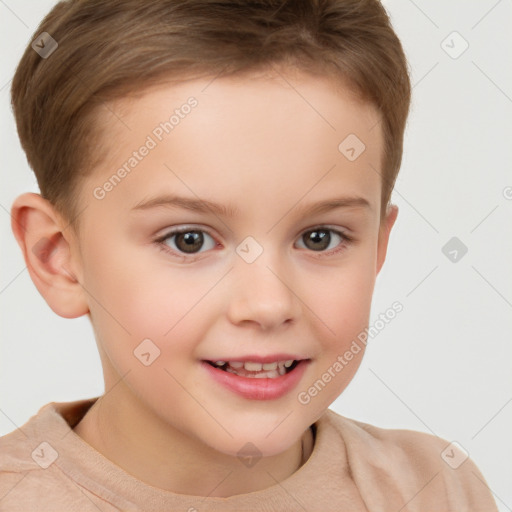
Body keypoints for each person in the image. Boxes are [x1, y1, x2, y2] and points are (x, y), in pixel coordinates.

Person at [0, 0, 498, 510]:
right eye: (188, 240)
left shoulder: (436, 489)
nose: (267, 304)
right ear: (56, 256)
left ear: (377, 246)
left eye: (320, 237)